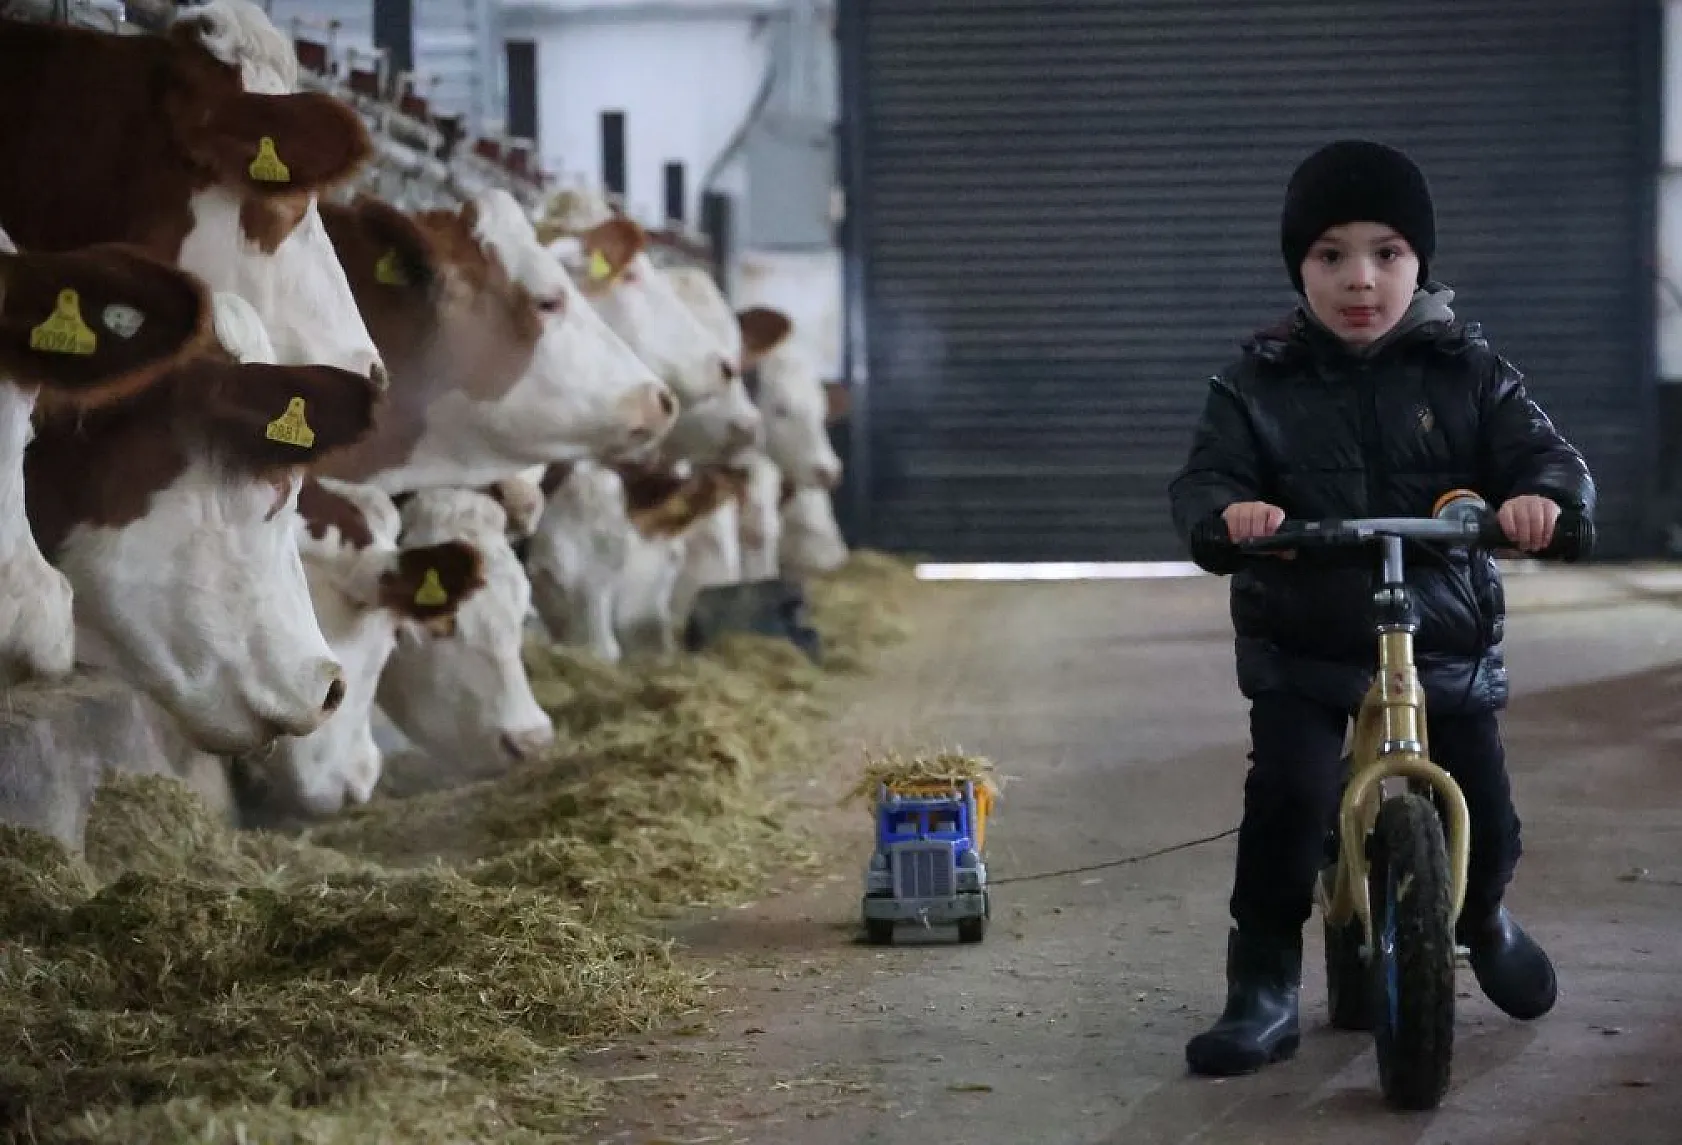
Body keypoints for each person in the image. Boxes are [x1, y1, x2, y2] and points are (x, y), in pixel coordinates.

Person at [1167, 139, 1596, 1079]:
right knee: (1290, 797)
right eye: (1330, 256)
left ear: (1420, 263)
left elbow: (1549, 458)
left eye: (1387, 252)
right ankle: (1266, 978)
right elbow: (1205, 483)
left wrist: (1545, 503)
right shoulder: (1256, 383)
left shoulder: (1471, 372)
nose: (1360, 279)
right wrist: (1231, 515)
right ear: (1300, 269)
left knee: (1485, 803)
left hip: (1441, 640)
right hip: (1307, 644)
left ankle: (1482, 915)